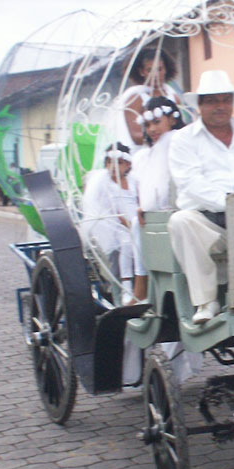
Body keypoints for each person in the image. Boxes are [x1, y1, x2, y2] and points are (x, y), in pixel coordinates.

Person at [168, 69, 234, 324]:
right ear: (200, 106)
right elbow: (191, 183)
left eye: (225, 100)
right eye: (213, 101)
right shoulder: (183, 139)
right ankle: (207, 302)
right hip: (208, 222)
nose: (220, 106)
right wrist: (232, 202)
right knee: (181, 221)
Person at [80, 145, 146, 305]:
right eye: (110, 163)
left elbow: (141, 200)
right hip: (116, 223)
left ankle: (145, 283)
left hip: (136, 219)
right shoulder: (105, 184)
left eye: (119, 163)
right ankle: (126, 284)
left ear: (128, 165)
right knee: (126, 243)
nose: (114, 167)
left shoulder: (133, 181)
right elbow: (112, 208)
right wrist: (128, 224)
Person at [115, 47, 183, 150]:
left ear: (165, 69)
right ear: (142, 72)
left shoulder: (173, 96)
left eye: (159, 69)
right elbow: (136, 137)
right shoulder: (135, 99)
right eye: (149, 70)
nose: (155, 74)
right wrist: (161, 136)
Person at [131, 96, 186, 214]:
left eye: (156, 122)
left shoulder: (178, 140)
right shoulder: (143, 156)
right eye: (147, 125)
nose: (152, 129)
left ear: (172, 120)